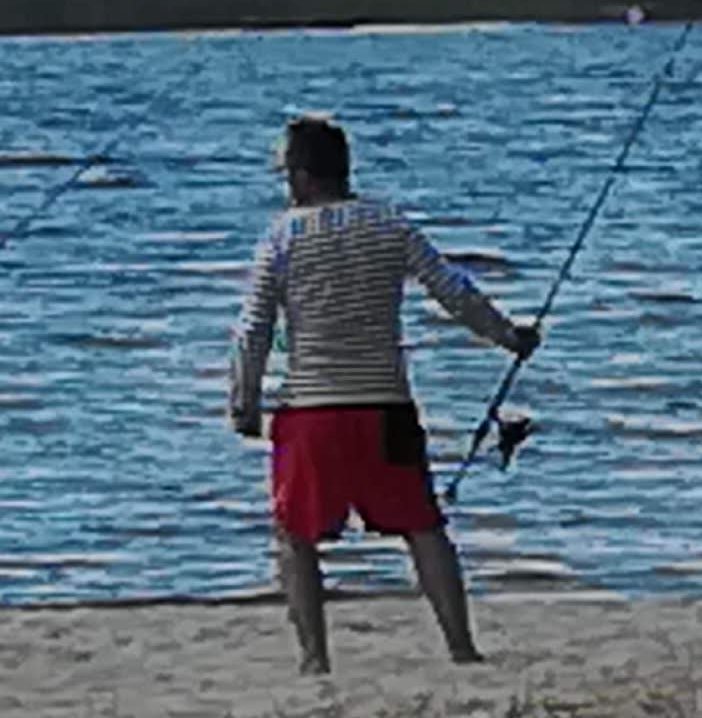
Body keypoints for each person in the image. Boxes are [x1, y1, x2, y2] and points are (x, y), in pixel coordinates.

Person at [229, 116, 539, 674]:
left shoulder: (281, 237)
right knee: (423, 528)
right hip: (386, 407)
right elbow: (454, 291)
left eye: (286, 172)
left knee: (296, 536)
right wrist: (508, 336)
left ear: (301, 174)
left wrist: (244, 403)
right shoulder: (388, 224)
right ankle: (461, 648)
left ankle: (315, 660)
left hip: (311, 412)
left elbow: (253, 330)